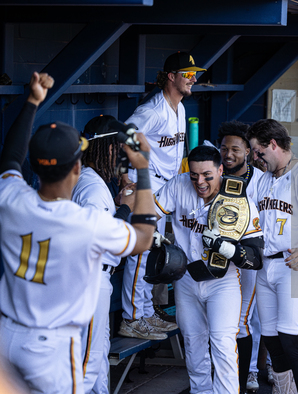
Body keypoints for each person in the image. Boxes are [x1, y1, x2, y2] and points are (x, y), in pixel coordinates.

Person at [0, 72, 156, 394]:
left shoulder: (12, 198)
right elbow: (143, 239)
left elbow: (10, 157)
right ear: (75, 167)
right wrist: (143, 171)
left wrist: (32, 102)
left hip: (7, 336)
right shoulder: (83, 223)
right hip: (50, 345)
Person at [153, 145, 264, 393]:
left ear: (221, 170)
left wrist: (228, 249)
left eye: (207, 176)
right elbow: (150, 212)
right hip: (187, 278)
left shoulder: (239, 200)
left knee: (223, 344)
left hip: (222, 282)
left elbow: (256, 257)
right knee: (193, 344)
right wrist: (151, 234)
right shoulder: (179, 184)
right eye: (194, 175)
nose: (199, 182)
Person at [120, 51, 205, 338]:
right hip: (146, 183)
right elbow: (124, 136)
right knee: (140, 253)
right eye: (187, 74)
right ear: (171, 76)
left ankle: (145, 312)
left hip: (164, 185)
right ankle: (132, 318)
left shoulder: (179, 108)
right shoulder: (153, 110)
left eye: (195, 74)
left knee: (153, 252)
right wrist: (124, 178)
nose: (193, 79)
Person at [247, 119, 298, 394]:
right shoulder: (264, 179)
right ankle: (284, 391)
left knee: (292, 341)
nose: (255, 158)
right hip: (265, 265)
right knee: (271, 340)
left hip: (295, 266)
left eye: (258, 151)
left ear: (273, 145)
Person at [72, 115, 146, 394]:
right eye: (120, 147)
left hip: (95, 278)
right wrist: (125, 208)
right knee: (88, 362)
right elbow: (101, 239)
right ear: (108, 148)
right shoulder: (91, 186)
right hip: (91, 277)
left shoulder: (92, 180)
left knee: (97, 355)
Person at [216, 120, 265, 392]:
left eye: (235, 149)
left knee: (242, 321)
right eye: (224, 148)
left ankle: (243, 378)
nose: (229, 154)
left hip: (248, 259)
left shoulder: (260, 180)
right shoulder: (215, 175)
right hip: (217, 256)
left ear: (248, 150)